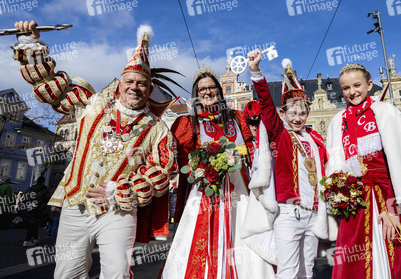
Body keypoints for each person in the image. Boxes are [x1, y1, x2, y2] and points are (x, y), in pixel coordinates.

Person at [12, 20, 178, 278]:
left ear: (150, 89)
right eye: (130, 81)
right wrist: (31, 45)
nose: (135, 87)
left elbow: (162, 171)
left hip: (118, 211)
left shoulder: (157, 129)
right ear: (120, 84)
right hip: (74, 205)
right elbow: (53, 90)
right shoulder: (94, 104)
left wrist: (121, 189)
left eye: (141, 84)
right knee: (67, 273)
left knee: (117, 273)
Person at [314, 63, 401, 278]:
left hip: (388, 198)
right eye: (346, 88)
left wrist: (395, 210)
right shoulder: (337, 122)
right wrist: (337, 194)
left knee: (399, 252)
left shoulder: (386, 113)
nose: (352, 91)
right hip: (354, 206)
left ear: (369, 84)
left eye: (357, 85)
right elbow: (335, 168)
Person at [161, 67, 275, 278]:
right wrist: (199, 170)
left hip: (239, 187)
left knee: (242, 233)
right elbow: (179, 156)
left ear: (219, 91)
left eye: (212, 87)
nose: (207, 92)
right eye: (202, 89)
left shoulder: (237, 117)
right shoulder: (188, 122)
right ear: (196, 93)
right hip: (205, 189)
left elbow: (252, 151)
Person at [248, 51, 328, 279]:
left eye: (302, 112)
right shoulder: (279, 135)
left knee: (308, 270)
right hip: (289, 213)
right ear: (283, 113)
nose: (297, 117)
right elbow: (265, 104)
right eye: (292, 112)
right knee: (288, 272)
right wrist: (256, 72)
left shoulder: (316, 140)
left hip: (313, 213)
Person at [22, 176, 51, 246]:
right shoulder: (45, 190)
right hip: (39, 210)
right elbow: (48, 200)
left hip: (29, 208)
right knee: (33, 224)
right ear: (43, 182)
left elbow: (24, 198)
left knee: (33, 224)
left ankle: (35, 238)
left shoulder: (30, 188)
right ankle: (27, 240)